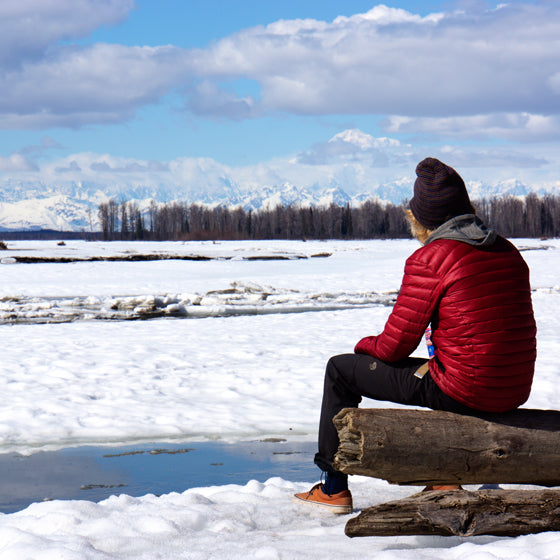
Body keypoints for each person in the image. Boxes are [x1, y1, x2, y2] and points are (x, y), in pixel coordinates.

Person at [293, 157, 537, 514]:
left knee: (340, 371)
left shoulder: (432, 257)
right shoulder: (506, 250)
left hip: (467, 388)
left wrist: (363, 347)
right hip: (513, 386)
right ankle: (444, 473)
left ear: (421, 217)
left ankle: (332, 488)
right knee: (438, 369)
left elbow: (394, 347)